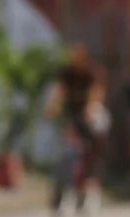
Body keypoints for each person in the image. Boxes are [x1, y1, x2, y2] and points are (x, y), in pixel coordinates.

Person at [44, 44, 107, 203]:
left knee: (92, 146)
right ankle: (60, 186)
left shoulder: (92, 72)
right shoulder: (67, 73)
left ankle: (90, 180)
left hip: (87, 114)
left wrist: (91, 107)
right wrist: (52, 107)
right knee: (65, 149)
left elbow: (97, 92)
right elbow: (59, 91)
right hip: (70, 113)